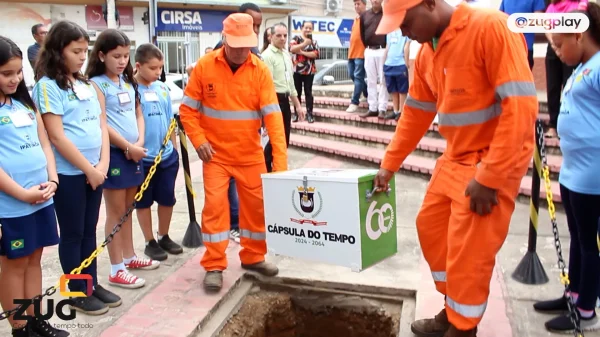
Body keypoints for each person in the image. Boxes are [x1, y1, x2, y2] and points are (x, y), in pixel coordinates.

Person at [374, 1, 538, 336]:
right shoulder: (425, 53)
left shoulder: (491, 27)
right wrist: (389, 164)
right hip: (454, 159)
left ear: (431, 3)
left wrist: (491, 178)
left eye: (405, 22)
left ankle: (463, 328)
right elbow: (415, 114)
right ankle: (454, 309)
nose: (403, 32)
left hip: (489, 163)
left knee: (468, 256)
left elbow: (520, 107)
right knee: (430, 229)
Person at [180, 13, 287, 292]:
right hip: (215, 155)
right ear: (224, 39)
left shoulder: (259, 69)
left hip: (250, 155)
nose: (242, 51)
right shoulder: (204, 67)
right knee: (215, 210)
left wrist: (280, 162)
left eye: (247, 45)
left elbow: (273, 118)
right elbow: (187, 111)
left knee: (256, 210)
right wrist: (199, 139)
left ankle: (253, 257)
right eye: (237, 44)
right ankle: (214, 265)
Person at [33, 20, 121, 315]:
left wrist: (103, 165)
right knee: (72, 233)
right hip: (70, 174)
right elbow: (56, 136)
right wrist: (89, 169)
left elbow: (101, 125)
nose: (82, 57)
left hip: (96, 170)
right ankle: (75, 291)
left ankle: (91, 284)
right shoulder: (47, 88)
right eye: (76, 51)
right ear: (59, 51)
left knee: (88, 231)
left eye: (85, 51)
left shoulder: (86, 84)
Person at [532, 3, 600, 333]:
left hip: (593, 175)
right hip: (573, 172)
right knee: (577, 238)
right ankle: (572, 293)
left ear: (579, 34)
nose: (556, 52)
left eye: (560, 44)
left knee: (590, 243)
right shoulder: (582, 67)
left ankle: (586, 309)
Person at [0, 35, 68, 337]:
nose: (14, 79)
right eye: (6, 73)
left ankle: (35, 318)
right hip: (12, 205)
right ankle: (20, 327)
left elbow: (44, 142)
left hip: (42, 199)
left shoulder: (24, 104)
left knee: (35, 259)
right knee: (15, 264)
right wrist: (22, 194)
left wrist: (53, 179)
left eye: (17, 72)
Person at [87, 29, 159, 290]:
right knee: (115, 212)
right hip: (116, 154)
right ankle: (116, 267)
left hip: (134, 152)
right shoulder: (96, 84)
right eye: (116, 56)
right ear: (101, 55)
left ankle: (130, 257)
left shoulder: (126, 81)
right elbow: (102, 122)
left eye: (126, 56)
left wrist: (139, 142)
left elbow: (138, 112)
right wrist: (127, 146)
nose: (121, 61)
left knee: (129, 208)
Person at [133, 43, 184, 261]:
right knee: (143, 201)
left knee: (167, 198)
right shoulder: (131, 90)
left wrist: (173, 151)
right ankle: (149, 241)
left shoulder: (162, 89)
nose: (159, 72)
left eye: (160, 68)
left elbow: (170, 120)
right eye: (153, 68)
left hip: (166, 156)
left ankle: (163, 235)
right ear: (138, 66)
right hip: (143, 158)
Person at [262, 22, 305, 172]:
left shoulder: (286, 54)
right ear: (271, 37)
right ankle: (265, 166)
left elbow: (290, 82)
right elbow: (267, 85)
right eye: (278, 35)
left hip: (285, 100)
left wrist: (298, 105)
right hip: (274, 99)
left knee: (284, 139)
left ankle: (274, 167)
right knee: (276, 139)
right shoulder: (267, 56)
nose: (282, 38)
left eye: (285, 35)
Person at [544, 0, 588, 139]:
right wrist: (555, 44)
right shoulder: (552, 7)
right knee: (553, 87)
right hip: (553, 49)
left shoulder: (580, 3)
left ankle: (569, 126)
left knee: (570, 87)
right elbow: (547, 27)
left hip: (571, 49)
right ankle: (553, 125)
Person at [360, 0, 390, 119]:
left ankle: (382, 108)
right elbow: (362, 35)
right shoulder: (364, 15)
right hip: (369, 50)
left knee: (383, 80)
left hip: (383, 50)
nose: (375, 0)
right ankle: (372, 107)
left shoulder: (386, 14)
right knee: (371, 80)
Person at [499, 0, 547, 69]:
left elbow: (539, 20)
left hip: (525, 47)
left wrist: (517, 23)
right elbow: (500, 18)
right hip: (507, 47)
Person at [289, 21, 319, 123]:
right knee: (296, 92)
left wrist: (301, 52)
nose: (308, 30)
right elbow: (292, 49)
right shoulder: (296, 39)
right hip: (297, 70)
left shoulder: (314, 42)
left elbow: (315, 54)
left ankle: (309, 114)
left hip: (309, 71)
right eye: (306, 27)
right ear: (302, 28)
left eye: (310, 28)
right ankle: (296, 114)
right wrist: (304, 44)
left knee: (308, 92)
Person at [382, 28, 411, 121]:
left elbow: (406, 47)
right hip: (389, 64)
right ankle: (395, 111)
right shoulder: (390, 32)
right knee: (392, 89)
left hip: (400, 63)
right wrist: (384, 63)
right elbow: (387, 47)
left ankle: (401, 111)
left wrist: (406, 64)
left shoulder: (406, 31)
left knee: (402, 90)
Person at [347, 0, 369, 113]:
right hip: (352, 53)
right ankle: (367, 93)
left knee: (358, 77)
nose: (356, 6)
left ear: (364, 5)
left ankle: (354, 102)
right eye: (355, 4)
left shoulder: (367, 17)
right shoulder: (356, 19)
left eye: (358, 4)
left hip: (361, 53)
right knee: (353, 75)